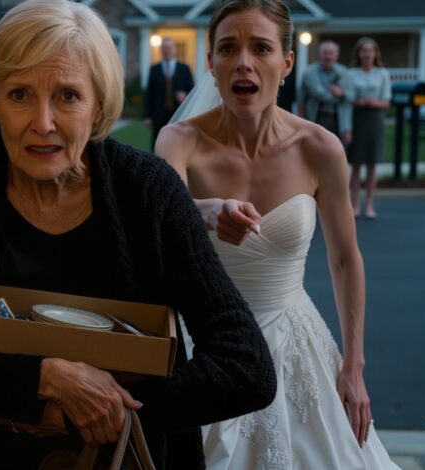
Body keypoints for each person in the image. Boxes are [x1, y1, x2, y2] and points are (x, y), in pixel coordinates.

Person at [0, 1, 277, 469]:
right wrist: (46, 380)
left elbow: (246, 365)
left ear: (99, 104)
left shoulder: (148, 190)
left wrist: (111, 411)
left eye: (67, 96)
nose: (43, 123)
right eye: (19, 94)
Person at [156, 0, 400, 468]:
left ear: (286, 64)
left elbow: (345, 259)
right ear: (211, 62)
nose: (243, 62)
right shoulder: (178, 141)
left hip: (296, 344)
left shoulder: (320, 149)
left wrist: (353, 367)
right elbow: (162, 220)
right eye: (228, 48)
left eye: (261, 48)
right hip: (205, 344)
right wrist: (206, 211)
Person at [347, 36, 392, 219]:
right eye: (364, 50)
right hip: (357, 118)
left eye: (370, 50)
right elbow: (348, 98)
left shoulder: (382, 73)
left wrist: (373, 102)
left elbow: (387, 102)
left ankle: (370, 205)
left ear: (375, 54)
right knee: (356, 164)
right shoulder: (351, 73)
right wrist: (359, 101)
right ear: (359, 53)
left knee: (372, 164)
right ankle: (355, 204)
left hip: (375, 119)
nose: (367, 54)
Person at [298, 40, 354, 144]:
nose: (328, 56)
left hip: (339, 121)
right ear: (319, 54)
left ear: (337, 55)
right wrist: (303, 124)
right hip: (316, 118)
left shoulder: (344, 72)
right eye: (325, 53)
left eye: (331, 53)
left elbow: (352, 96)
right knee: (316, 149)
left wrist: (342, 93)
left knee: (339, 150)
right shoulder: (309, 73)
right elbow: (316, 95)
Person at [143, 38, 195, 148]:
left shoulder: (184, 68)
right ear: (161, 50)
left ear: (175, 50)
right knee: (158, 145)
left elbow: (192, 91)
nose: (167, 50)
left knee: (177, 145)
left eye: (169, 48)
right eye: (164, 48)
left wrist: (185, 95)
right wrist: (148, 116)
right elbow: (149, 94)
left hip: (179, 115)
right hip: (158, 115)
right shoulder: (154, 69)